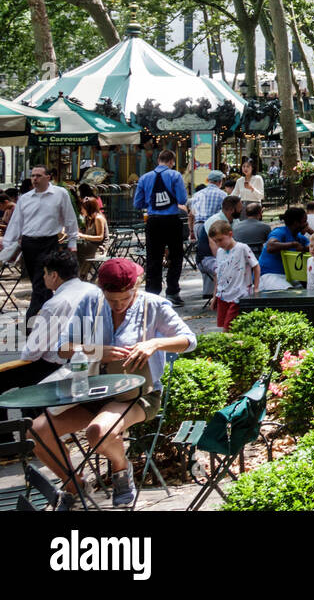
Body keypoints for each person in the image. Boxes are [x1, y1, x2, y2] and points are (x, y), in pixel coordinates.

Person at [30, 258, 195, 509]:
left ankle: (121, 471)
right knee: (36, 433)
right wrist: (96, 351)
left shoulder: (154, 305)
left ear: (136, 289)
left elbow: (189, 340)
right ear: (101, 290)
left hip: (138, 394)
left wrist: (154, 344)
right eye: (111, 300)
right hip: (92, 391)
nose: (118, 306)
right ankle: (75, 485)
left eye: (125, 299)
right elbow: (63, 348)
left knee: (98, 432)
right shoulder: (90, 303)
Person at [0, 249, 110, 393]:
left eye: (45, 273)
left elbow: (32, 352)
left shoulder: (55, 304)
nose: (44, 277)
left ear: (54, 275)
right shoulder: (94, 290)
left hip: (59, 363)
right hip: (89, 353)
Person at [0, 165, 80, 322]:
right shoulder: (25, 198)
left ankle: (32, 320)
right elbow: (16, 224)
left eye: (38, 175)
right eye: (33, 176)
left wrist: (73, 243)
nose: (34, 179)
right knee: (40, 283)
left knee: (41, 282)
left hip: (49, 242)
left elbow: (70, 219)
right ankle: (48, 317)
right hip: (29, 244)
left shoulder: (60, 194)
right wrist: (8, 247)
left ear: (48, 177)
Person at [133, 149, 188, 306]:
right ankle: (172, 291)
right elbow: (182, 199)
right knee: (176, 256)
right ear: (172, 161)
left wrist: (151, 204)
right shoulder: (175, 175)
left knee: (153, 258)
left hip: (153, 221)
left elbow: (137, 203)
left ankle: (152, 292)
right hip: (171, 220)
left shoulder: (145, 178)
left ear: (158, 160)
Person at [207, 219, 259, 330]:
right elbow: (218, 274)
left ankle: (227, 346)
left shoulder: (242, 248)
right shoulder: (220, 252)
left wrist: (256, 288)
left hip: (239, 294)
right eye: (215, 241)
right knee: (225, 326)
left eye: (220, 240)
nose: (218, 244)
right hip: (223, 294)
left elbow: (256, 266)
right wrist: (215, 296)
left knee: (229, 327)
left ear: (230, 234)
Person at [258, 207, 310, 291]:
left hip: (289, 277)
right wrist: (293, 245)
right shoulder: (279, 232)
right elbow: (270, 246)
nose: (306, 224)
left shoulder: (300, 237)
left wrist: (309, 231)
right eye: (304, 221)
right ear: (296, 223)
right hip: (269, 275)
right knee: (288, 293)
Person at [188, 169, 228, 241]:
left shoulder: (197, 194)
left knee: (202, 250)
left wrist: (191, 231)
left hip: (198, 227)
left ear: (209, 181)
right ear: (220, 182)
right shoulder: (223, 195)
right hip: (214, 227)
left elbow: (191, 215)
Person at [76, 196, 109, 279]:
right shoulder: (89, 219)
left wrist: (83, 235)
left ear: (89, 208)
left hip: (99, 248)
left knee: (73, 250)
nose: (82, 210)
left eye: (83, 208)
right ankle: (81, 274)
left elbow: (100, 237)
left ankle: (80, 275)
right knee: (73, 248)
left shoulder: (98, 218)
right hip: (90, 246)